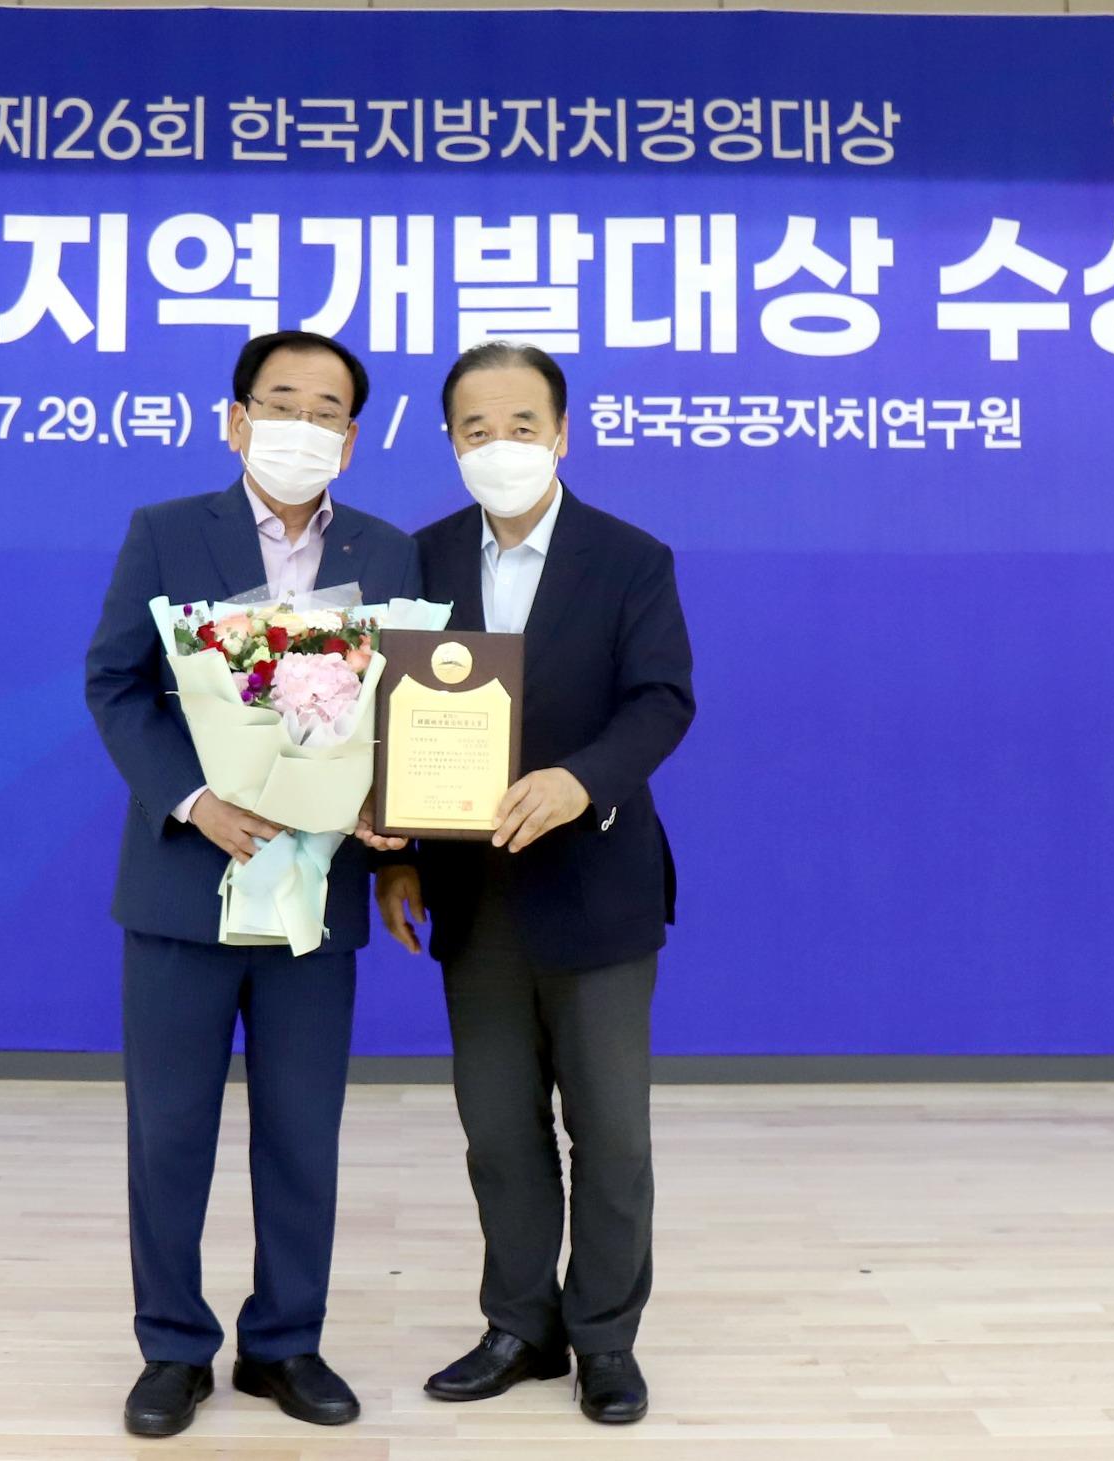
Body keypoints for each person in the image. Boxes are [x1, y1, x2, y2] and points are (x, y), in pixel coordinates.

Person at [84, 330, 421, 1438]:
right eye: (281, 402)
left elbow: (406, 712)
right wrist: (193, 799)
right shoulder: (166, 530)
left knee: (301, 1131)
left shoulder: (388, 552)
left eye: (325, 411)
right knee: (169, 1132)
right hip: (185, 882)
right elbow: (115, 683)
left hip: (317, 893)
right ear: (235, 420)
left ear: (351, 441)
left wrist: (387, 817)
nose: (300, 426)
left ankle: (285, 1342)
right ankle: (172, 1349)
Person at [376, 341, 695, 1425]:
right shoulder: (418, 560)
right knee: (500, 1132)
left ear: (561, 433)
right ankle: (520, 1324)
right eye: (477, 428)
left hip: (595, 885)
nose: (500, 444)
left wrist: (577, 780)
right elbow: (389, 722)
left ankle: (604, 1337)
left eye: (522, 425)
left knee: (611, 1135)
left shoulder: (630, 557)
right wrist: (397, 857)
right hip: (473, 898)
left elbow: (660, 699)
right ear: (450, 442)